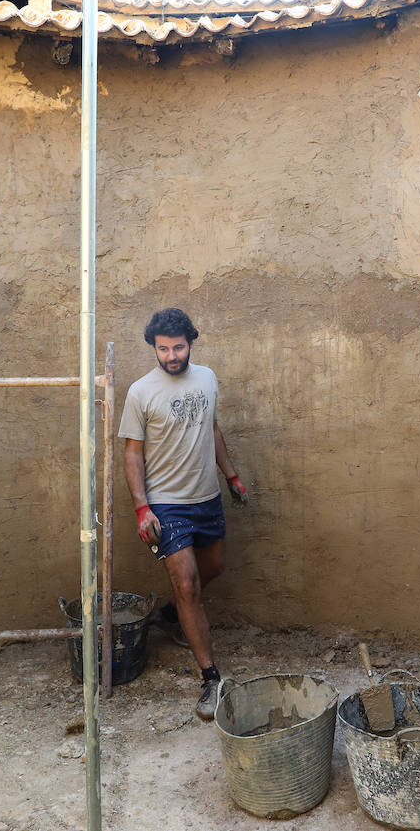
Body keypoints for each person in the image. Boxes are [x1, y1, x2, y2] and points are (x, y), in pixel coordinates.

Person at [118, 308, 248, 719]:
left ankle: (173, 615)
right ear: (153, 348)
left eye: (177, 347)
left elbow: (212, 429)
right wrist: (142, 508)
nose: (171, 355)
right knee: (188, 583)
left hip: (206, 497)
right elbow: (132, 453)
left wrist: (232, 476)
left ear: (190, 343)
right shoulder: (141, 391)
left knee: (214, 567)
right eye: (163, 349)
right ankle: (211, 679)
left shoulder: (207, 379)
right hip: (166, 504)